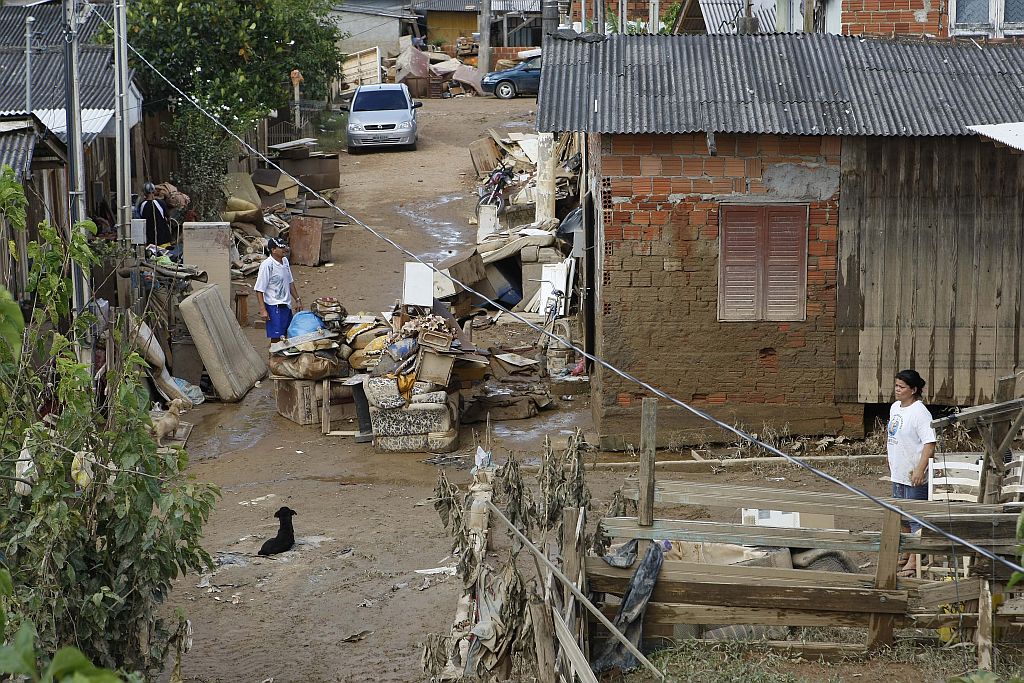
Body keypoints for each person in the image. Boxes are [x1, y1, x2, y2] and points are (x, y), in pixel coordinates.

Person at [886, 369, 937, 576]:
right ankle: (908, 551)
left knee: (915, 517)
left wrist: (920, 469)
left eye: (902, 387)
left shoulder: (920, 412)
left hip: (914, 473)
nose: (897, 390)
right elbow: (892, 434)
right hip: (898, 470)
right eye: (896, 386)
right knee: (901, 516)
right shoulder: (895, 407)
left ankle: (916, 559)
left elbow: (929, 443)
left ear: (913, 390)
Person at [254, 238, 301, 344]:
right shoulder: (267, 265)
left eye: (284, 246)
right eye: (281, 247)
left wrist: (297, 299)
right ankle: (273, 359)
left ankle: (281, 359)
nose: (284, 249)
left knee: (286, 335)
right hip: (274, 306)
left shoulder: (285, 261)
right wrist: (263, 309)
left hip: (286, 305)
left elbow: (290, 282)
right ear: (273, 250)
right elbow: (259, 289)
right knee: (276, 338)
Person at [138, 182, 172, 246]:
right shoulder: (161, 203)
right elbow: (168, 218)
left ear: (144, 193)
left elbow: (140, 219)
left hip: (150, 242)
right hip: (164, 239)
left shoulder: (142, 205)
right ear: (154, 191)